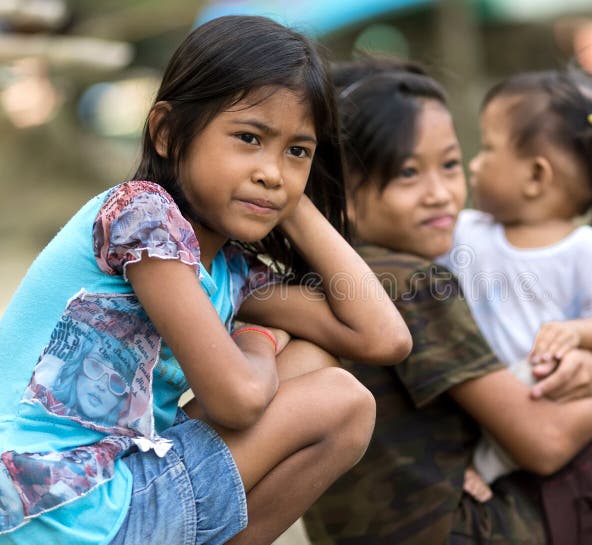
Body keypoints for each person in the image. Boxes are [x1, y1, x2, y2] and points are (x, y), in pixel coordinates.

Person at [0, 16, 411, 545]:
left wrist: (293, 204)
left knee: (313, 362)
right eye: (248, 138)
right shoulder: (141, 215)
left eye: (297, 151)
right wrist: (255, 342)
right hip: (55, 508)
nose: (272, 171)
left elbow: (385, 337)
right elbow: (237, 399)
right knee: (343, 402)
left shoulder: (230, 270)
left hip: (105, 498)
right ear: (168, 133)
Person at [303, 60, 592, 545]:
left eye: (450, 164)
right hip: (462, 530)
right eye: (408, 173)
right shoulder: (413, 282)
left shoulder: (319, 275)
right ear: (341, 187)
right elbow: (545, 445)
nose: (441, 194)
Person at [438, 68, 592, 493]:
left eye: (488, 148)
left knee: (548, 370)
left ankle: (491, 467)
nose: (473, 165)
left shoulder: (581, 248)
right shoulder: (468, 230)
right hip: (479, 396)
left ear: (536, 176)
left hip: (542, 399)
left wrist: (575, 333)